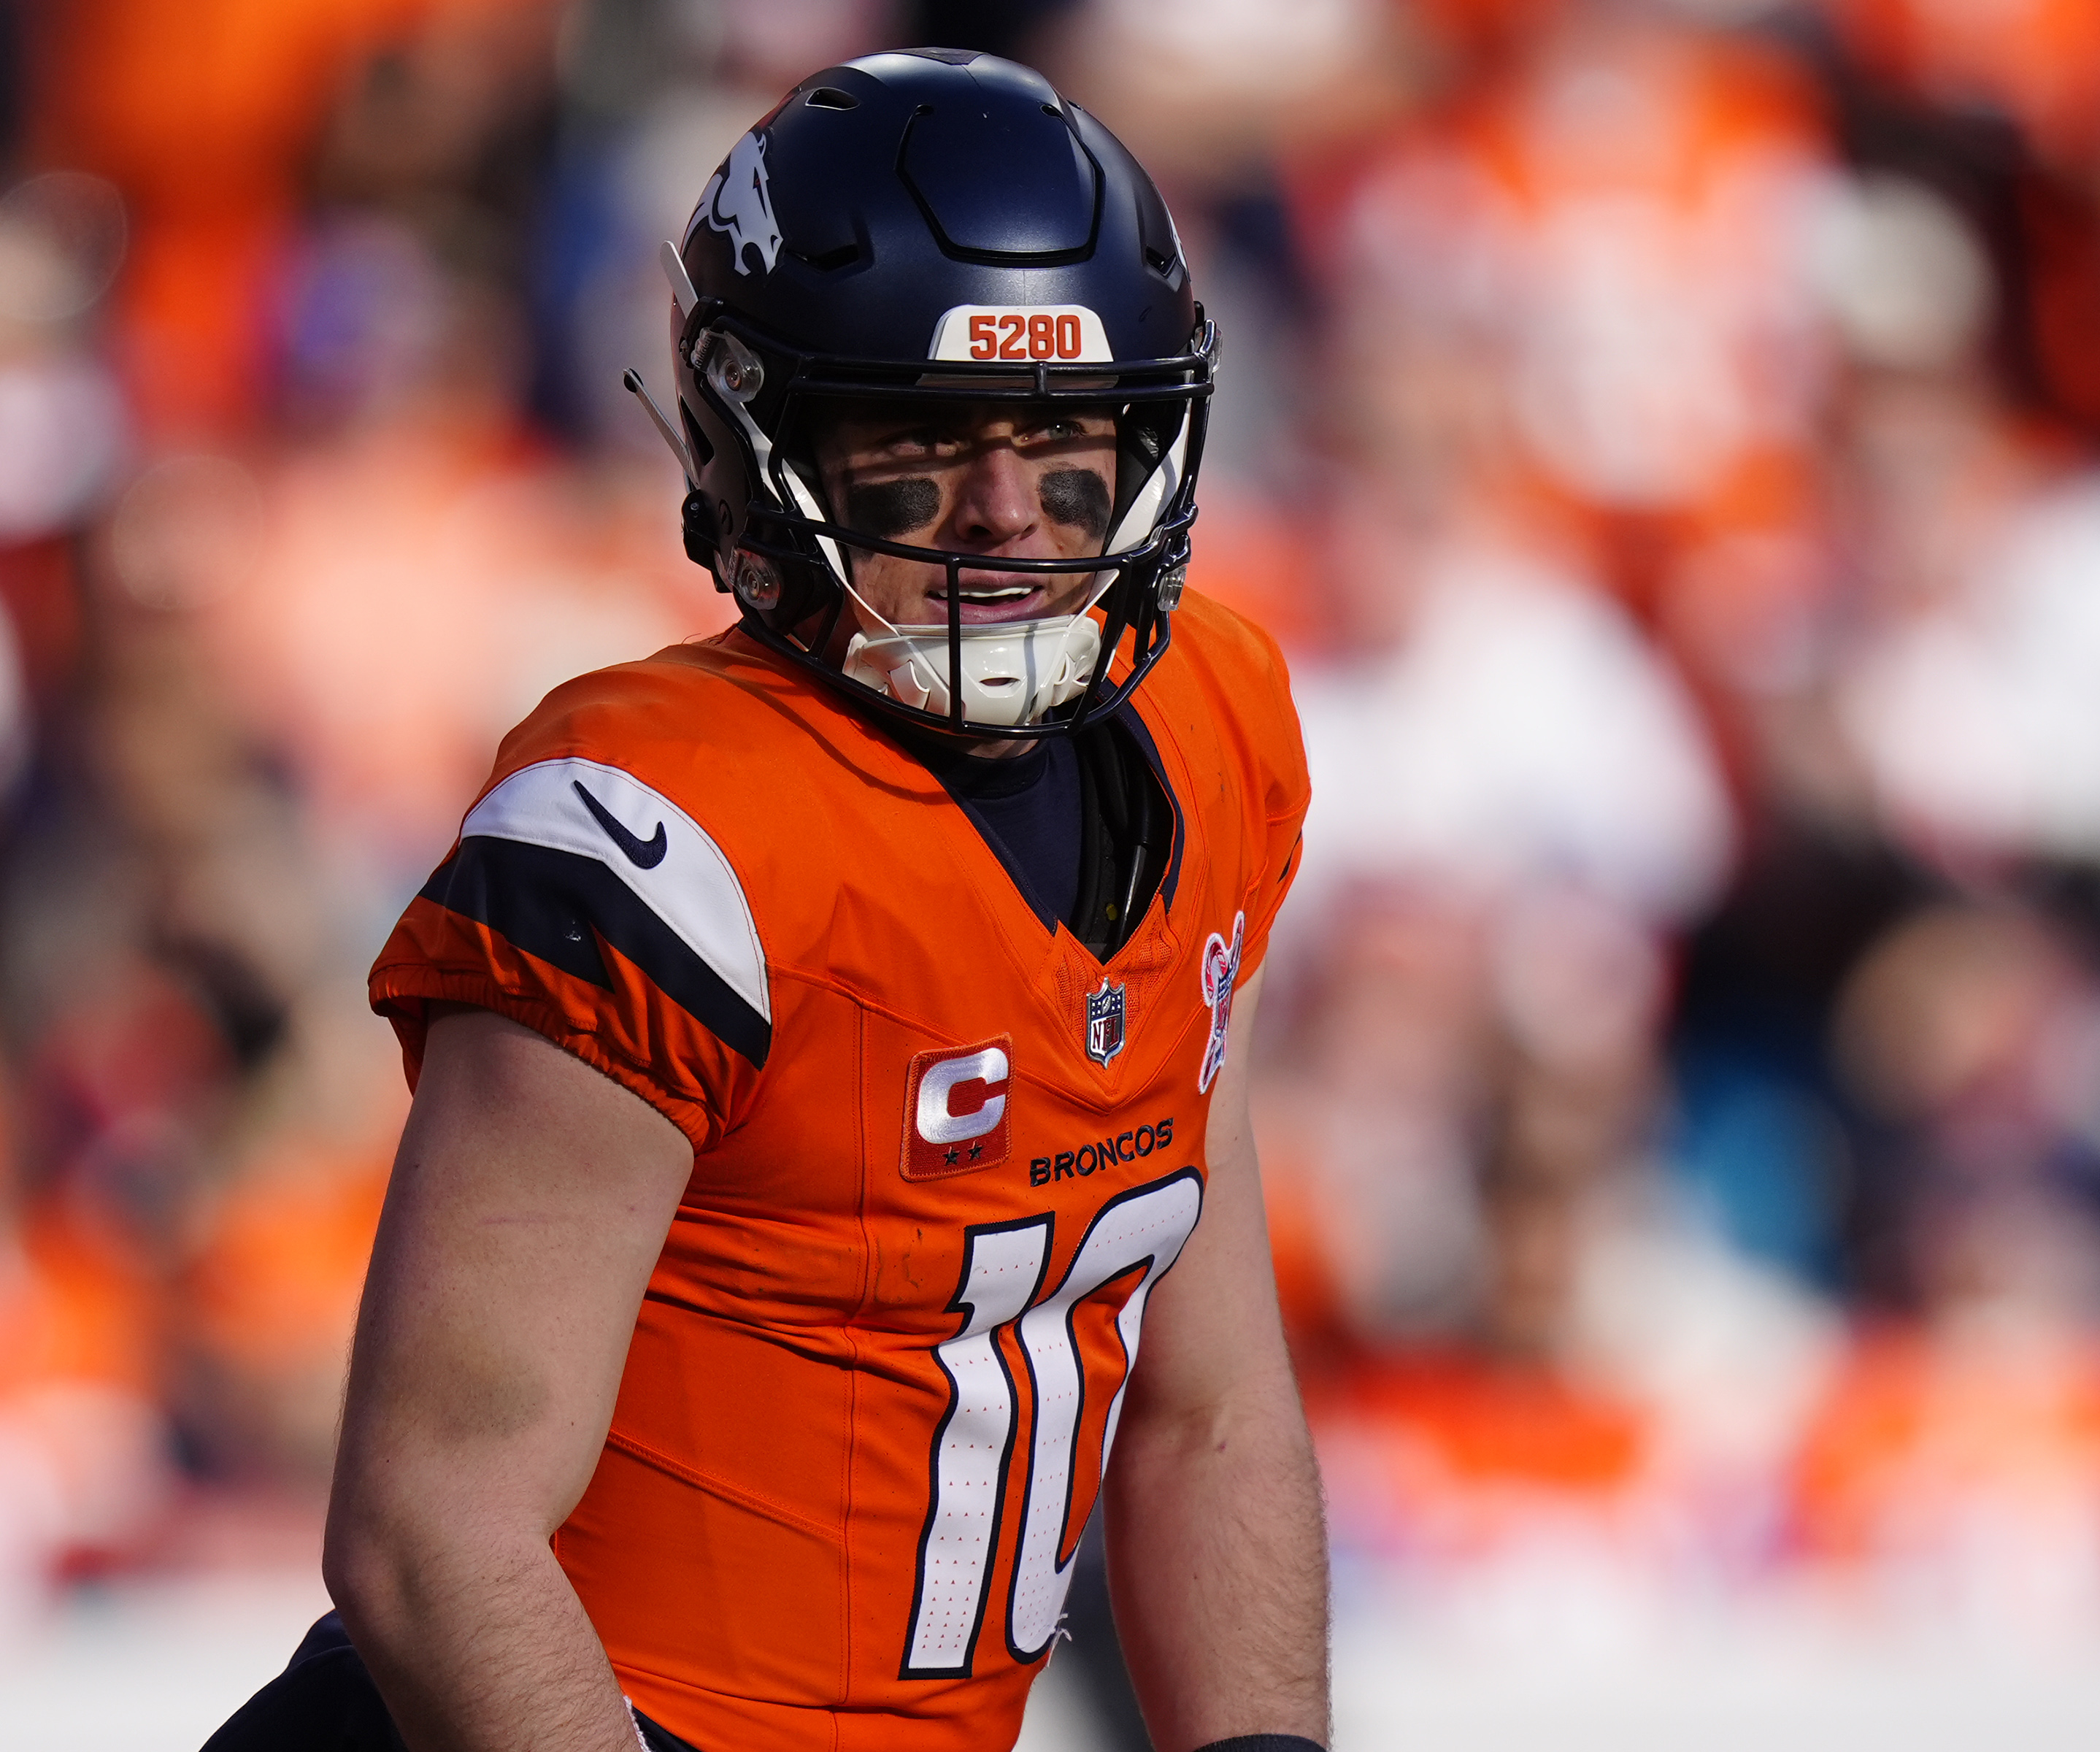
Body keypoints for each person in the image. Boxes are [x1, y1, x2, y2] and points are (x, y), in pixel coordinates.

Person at [201, 48, 1328, 1752]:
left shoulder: (1212, 727)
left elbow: (1209, 1409)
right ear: (761, 439)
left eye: (1058, 434)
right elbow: (439, 1534)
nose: (1008, 516)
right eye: (923, 443)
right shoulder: (669, 825)